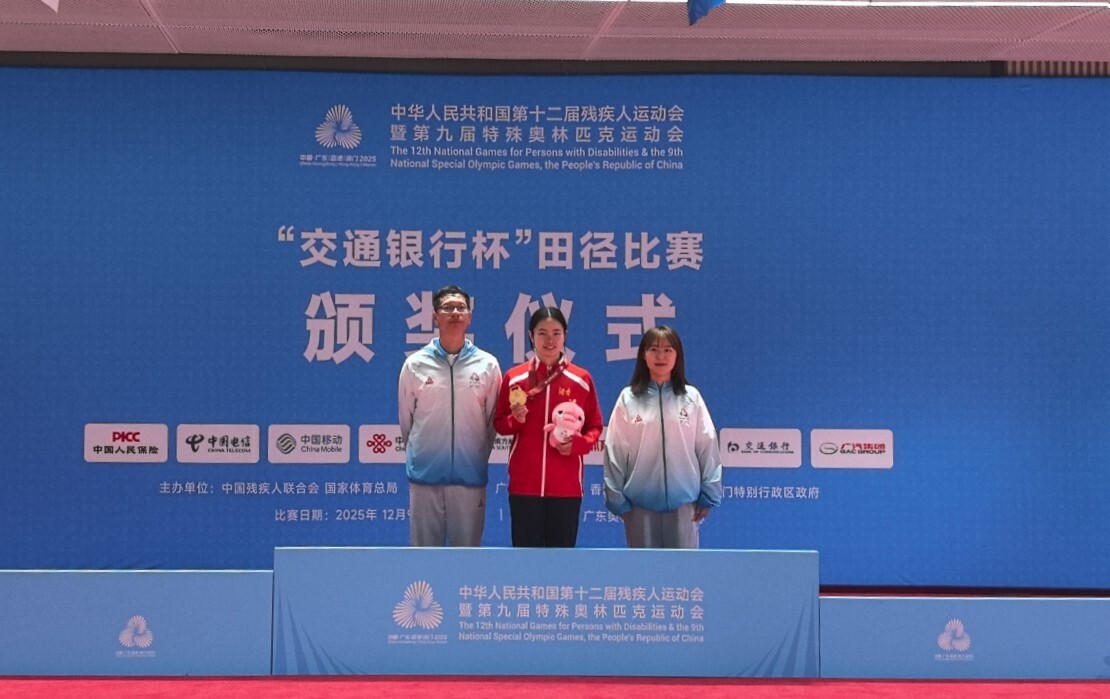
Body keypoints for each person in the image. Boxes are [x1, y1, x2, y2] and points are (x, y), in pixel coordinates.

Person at [398, 285, 502, 546]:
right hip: (425, 477)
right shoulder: (415, 364)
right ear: (435, 316)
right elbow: (407, 421)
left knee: (466, 559)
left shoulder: (487, 365)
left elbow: (492, 422)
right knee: (424, 558)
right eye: (447, 308)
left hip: (470, 479)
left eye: (461, 308)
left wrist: (474, 456)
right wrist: (423, 455)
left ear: (469, 317)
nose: (455, 313)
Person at [603, 326, 722, 549]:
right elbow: (615, 449)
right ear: (643, 355)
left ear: (677, 356)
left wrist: (710, 492)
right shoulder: (629, 398)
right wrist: (615, 497)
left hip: (684, 503)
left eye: (668, 350)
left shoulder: (691, 397)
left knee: (683, 570)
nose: (661, 356)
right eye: (654, 349)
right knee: (644, 569)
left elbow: (707, 446)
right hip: (639, 505)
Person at [494, 307, 603, 547]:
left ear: (565, 336)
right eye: (542, 333)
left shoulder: (581, 379)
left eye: (556, 333)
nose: (550, 340)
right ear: (531, 336)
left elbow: (595, 426)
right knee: (525, 559)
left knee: (561, 560)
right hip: (524, 484)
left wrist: (578, 445)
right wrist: (516, 420)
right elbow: (500, 424)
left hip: (566, 486)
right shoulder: (514, 377)